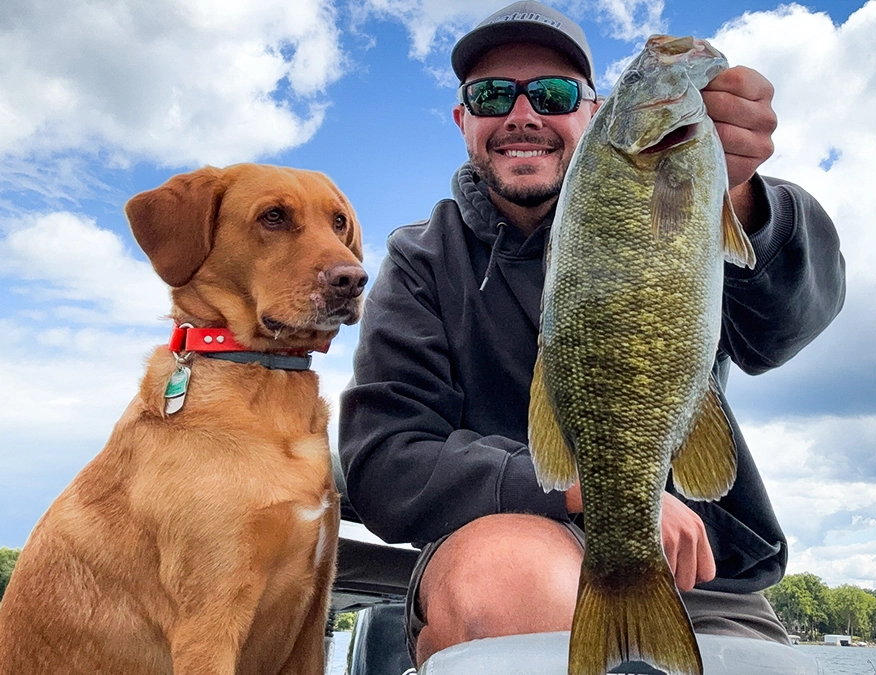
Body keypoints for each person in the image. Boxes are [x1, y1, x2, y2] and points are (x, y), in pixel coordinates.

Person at [339, 0, 845, 666]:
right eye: (492, 95)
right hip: (510, 556)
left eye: (552, 94)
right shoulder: (422, 260)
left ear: (593, 111)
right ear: (464, 120)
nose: (524, 115)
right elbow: (385, 462)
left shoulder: (682, 203)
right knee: (511, 579)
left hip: (706, 580)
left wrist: (746, 199)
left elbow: (784, 326)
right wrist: (585, 491)